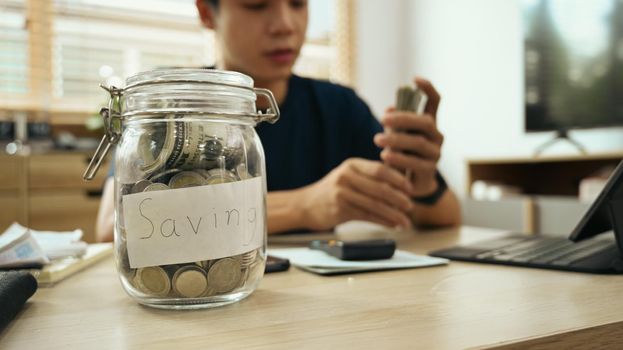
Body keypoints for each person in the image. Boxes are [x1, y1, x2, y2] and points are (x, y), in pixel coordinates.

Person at [95, 0, 460, 242]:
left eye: (298, 3)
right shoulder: (174, 106)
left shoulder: (339, 106)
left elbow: (446, 215)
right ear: (207, 12)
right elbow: (113, 226)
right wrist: (305, 206)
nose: (285, 24)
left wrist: (422, 179)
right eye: (257, 4)